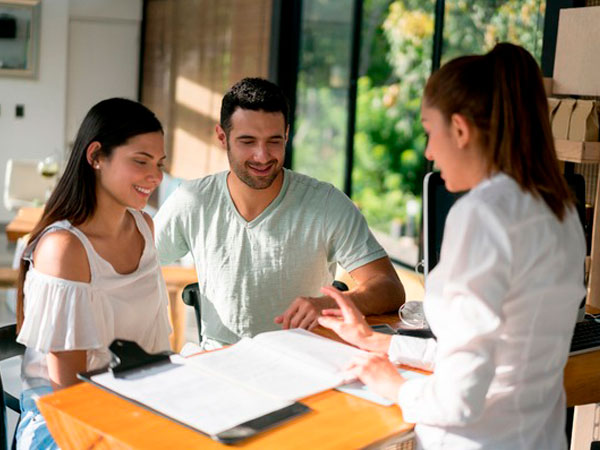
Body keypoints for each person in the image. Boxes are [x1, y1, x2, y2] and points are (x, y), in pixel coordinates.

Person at [318, 43, 586, 449]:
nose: (428, 151)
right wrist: (383, 343)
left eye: (430, 130)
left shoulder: (482, 215)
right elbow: (496, 353)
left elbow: (460, 399)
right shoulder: (560, 208)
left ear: (460, 130)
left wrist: (394, 386)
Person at [154, 77, 405, 349]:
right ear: (222, 137)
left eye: (274, 141)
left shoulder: (326, 204)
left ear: (286, 134)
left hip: (304, 360)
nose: (262, 156)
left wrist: (333, 303)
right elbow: (130, 263)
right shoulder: (193, 200)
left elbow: (389, 287)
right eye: (247, 141)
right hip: (220, 362)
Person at [15, 98, 171, 449]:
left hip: (134, 399)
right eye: (141, 161)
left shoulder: (144, 226)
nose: (156, 177)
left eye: (160, 164)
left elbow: (154, 347)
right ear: (96, 156)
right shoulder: (64, 249)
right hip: (62, 419)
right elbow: (67, 391)